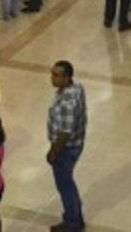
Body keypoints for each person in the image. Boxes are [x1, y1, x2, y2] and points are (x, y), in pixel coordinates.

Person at [47, 60, 86, 232]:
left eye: (56, 75)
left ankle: (73, 221)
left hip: (65, 149)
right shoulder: (77, 88)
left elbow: (65, 133)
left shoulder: (67, 102)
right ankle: (75, 215)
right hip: (74, 144)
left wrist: (53, 151)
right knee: (67, 182)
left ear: (67, 77)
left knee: (65, 185)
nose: (52, 78)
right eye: (52, 73)